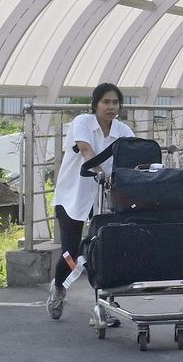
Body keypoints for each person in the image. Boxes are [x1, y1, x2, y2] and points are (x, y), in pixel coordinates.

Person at [46, 83, 135, 321]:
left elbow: (135, 156)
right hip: (74, 196)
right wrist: (98, 171)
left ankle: (105, 305)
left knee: (106, 251)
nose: (111, 107)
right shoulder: (82, 123)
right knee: (71, 253)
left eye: (115, 102)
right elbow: (85, 150)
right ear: (95, 104)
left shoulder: (123, 130)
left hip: (106, 198)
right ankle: (59, 286)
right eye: (106, 102)